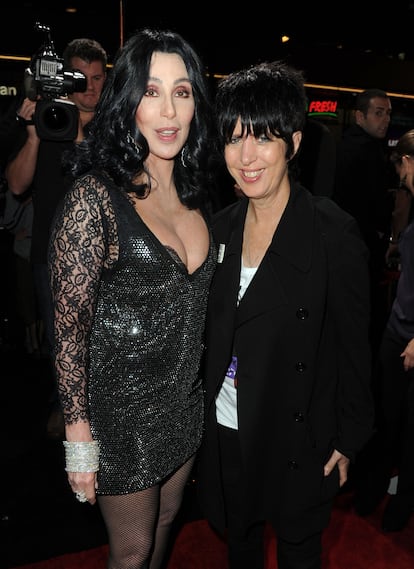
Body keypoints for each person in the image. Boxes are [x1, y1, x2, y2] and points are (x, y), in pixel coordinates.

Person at [48, 28, 217, 569]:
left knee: (166, 531)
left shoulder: (197, 192)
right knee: (132, 552)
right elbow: (69, 326)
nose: (169, 110)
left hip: (184, 407)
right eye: (151, 91)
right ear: (128, 101)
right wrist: (79, 437)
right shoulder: (94, 198)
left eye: (183, 91)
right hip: (120, 418)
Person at [196, 61, 375, 569]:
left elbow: (352, 346)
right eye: (233, 139)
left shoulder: (332, 235)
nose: (245, 157)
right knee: (241, 546)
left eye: (263, 140)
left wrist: (348, 438)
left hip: (299, 435)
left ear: (293, 143)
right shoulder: (220, 229)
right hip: (229, 428)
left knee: (299, 553)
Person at [5, 37, 108, 438]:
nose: (92, 88)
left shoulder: (114, 127)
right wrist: (33, 134)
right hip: (51, 254)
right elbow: (16, 185)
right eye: (83, 79)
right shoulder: (49, 120)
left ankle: (97, 410)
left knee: (102, 339)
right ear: (66, 79)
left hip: (105, 254)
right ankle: (69, 411)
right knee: (61, 340)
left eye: (99, 78)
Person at [352, 129, 414, 531]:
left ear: (407, 162)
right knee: (388, 419)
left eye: (402, 169)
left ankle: (399, 505)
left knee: (408, 429)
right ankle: (375, 490)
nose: (402, 177)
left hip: (410, 339)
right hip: (398, 329)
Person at [332, 88, 396, 356]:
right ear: (360, 116)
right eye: (378, 113)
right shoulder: (366, 151)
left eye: (388, 114)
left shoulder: (346, 144)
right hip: (361, 251)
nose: (386, 120)